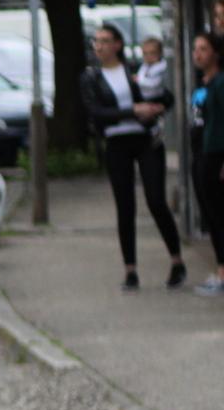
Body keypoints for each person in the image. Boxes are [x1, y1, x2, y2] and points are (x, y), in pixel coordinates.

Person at [79, 23, 183, 290]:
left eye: (105, 40)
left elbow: (166, 97)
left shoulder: (136, 71)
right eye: (96, 41)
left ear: (118, 45)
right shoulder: (91, 77)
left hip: (146, 139)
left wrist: (155, 108)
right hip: (117, 143)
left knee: (156, 200)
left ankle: (176, 260)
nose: (99, 46)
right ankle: (130, 270)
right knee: (125, 206)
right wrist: (132, 111)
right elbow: (95, 112)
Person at [188, 32, 224, 298]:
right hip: (202, 152)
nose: (197, 54)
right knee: (210, 215)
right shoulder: (203, 84)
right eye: (195, 49)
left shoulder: (220, 83)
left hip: (216, 154)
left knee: (218, 215)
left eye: (203, 48)